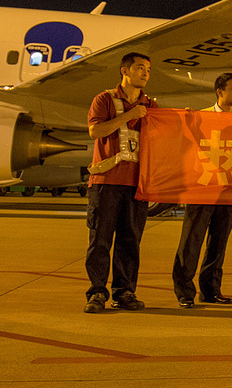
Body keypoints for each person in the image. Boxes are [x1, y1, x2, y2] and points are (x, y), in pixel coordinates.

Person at [83, 52, 157, 313]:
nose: (145, 73)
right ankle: (97, 293)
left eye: (148, 69)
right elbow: (96, 131)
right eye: (139, 68)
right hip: (107, 181)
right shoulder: (104, 99)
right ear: (124, 71)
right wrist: (130, 115)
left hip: (137, 185)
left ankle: (125, 291)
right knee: (100, 240)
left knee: (130, 241)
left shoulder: (152, 106)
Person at [171, 72, 232, 308]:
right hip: (202, 187)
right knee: (192, 240)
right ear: (219, 92)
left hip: (229, 189)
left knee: (218, 243)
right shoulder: (201, 117)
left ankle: (211, 289)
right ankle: (184, 291)